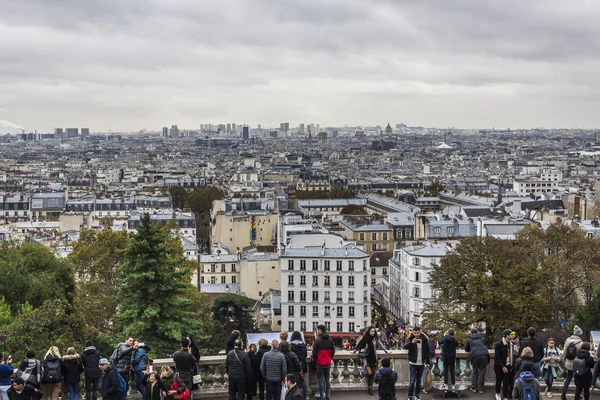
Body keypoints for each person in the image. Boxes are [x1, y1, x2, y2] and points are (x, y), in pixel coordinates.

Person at [357, 326, 389, 395]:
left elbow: (380, 344)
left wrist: (386, 351)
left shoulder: (375, 338)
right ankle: (367, 380)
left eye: (374, 331)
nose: (373, 332)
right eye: (372, 331)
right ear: (369, 331)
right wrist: (355, 351)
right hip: (367, 357)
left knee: (373, 374)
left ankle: (370, 388)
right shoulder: (365, 338)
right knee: (370, 373)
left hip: (373, 357)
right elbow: (359, 345)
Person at [403, 327, 430, 400]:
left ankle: (417, 395)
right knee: (412, 381)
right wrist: (411, 342)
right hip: (413, 363)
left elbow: (427, 352)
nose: (416, 334)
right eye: (415, 333)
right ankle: (410, 396)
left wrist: (427, 362)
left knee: (419, 381)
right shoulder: (410, 339)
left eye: (417, 333)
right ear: (413, 332)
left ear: (420, 332)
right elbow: (405, 346)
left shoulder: (424, 340)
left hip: (421, 363)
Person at [561, 325, 584, 400]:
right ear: (580, 334)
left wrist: (564, 362)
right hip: (578, 364)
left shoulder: (568, 340)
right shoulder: (581, 342)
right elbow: (581, 355)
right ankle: (578, 395)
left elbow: (564, 353)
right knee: (578, 380)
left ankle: (563, 394)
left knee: (568, 378)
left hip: (568, 363)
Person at [312, 325, 335, 400]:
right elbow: (333, 352)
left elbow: (314, 353)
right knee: (327, 380)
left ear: (320, 331)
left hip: (320, 363)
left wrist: (315, 361)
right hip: (327, 363)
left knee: (321, 380)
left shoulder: (317, 340)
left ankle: (322, 396)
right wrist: (329, 358)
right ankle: (328, 396)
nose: (317, 331)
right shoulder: (330, 340)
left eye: (317, 330)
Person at [465, 328, 489, 394]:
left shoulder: (469, 339)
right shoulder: (482, 338)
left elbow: (466, 349)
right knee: (482, 371)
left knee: (475, 371)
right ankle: (480, 389)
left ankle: (474, 388)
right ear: (477, 332)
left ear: (471, 333)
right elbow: (484, 345)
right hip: (484, 354)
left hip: (475, 355)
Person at [494, 329, 514, 400]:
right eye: (511, 335)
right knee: (499, 380)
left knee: (506, 381)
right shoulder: (498, 344)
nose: (512, 336)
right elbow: (497, 357)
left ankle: (505, 396)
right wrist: (502, 366)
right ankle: (497, 393)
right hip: (499, 366)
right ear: (507, 336)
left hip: (508, 365)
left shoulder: (511, 344)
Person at [290, 332, 308, 400]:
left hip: (294, 366)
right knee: (302, 380)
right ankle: (306, 394)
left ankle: (295, 395)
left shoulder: (291, 346)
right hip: (302, 365)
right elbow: (305, 355)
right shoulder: (303, 345)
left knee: (293, 381)